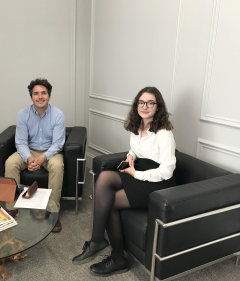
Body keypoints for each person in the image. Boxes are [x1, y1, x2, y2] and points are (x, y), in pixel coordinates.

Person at [72, 86, 176, 276]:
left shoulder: (164, 133)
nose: (145, 106)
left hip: (157, 183)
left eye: (150, 103)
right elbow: (135, 150)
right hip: (140, 170)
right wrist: (130, 156)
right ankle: (99, 242)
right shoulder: (138, 126)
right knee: (104, 178)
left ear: (158, 106)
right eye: (141, 102)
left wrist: (136, 174)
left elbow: (167, 171)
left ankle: (116, 256)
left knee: (110, 201)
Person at [5, 78, 65, 232]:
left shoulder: (58, 115)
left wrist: (42, 158)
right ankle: (12, 208)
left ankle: (53, 211)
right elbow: (20, 142)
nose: (40, 97)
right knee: (10, 163)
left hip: (50, 152)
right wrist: (30, 158)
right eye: (36, 93)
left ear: (49, 96)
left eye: (43, 93)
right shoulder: (23, 114)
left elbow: (57, 144)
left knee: (57, 166)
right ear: (31, 97)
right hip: (29, 150)